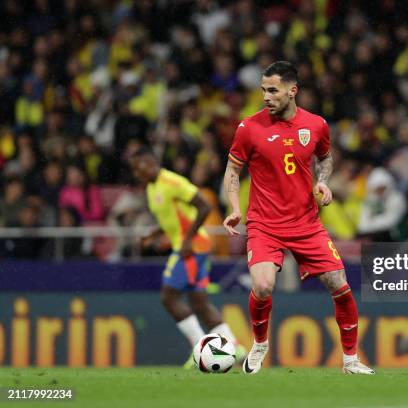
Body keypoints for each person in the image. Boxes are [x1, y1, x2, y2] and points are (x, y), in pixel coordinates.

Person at [222, 61, 374, 375]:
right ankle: (260, 343)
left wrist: (323, 181)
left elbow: (325, 158)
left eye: (273, 90)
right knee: (263, 286)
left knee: (341, 285)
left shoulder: (316, 125)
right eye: (263, 90)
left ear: (293, 91)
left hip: (306, 224)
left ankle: (350, 361)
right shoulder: (248, 128)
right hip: (265, 224)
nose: (266, 96)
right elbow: (233, 170)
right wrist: (235, 208)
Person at [130, 147, 245, 367]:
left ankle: (199, 346)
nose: (137, 175)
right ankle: (235, 347)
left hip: (192, 247)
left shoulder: (173, 182)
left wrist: (187, 239)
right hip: (189, 245)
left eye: (138, 170)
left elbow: (204, 206)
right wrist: (154, 233)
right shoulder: (151, 188)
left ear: (148, 164)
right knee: (199, 302)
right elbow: (172, 217)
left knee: (169, 297)